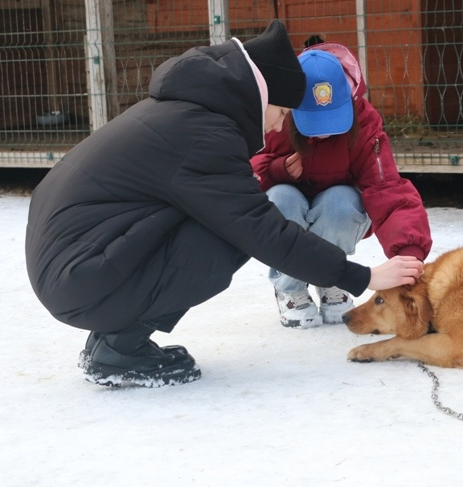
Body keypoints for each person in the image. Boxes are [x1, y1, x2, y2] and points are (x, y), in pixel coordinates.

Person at [24, 20, 423, 388]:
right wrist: (363, 277)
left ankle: (114, 336)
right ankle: (120, 347)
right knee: (229, 238)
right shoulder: (205, 134)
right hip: (81, 278)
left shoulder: (191, 112)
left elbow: (384, 187)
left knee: (227, 223)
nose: (277, 125)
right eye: (282, 111)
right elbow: (261, 230)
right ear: (263, 95)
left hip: (78, 265)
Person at [251, 43, 432, 329]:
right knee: (281, 198)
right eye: (314, 121)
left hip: (335, 215)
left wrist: (408, 251)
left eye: (333, 121)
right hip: (289, 207)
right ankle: (290, 287)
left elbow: (387, 188)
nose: (323, 133)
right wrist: (275, 169)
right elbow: (244, 169)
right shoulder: (275, 114)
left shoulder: (364, 121)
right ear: (292, 105)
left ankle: (333, 281)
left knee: (341, 201)